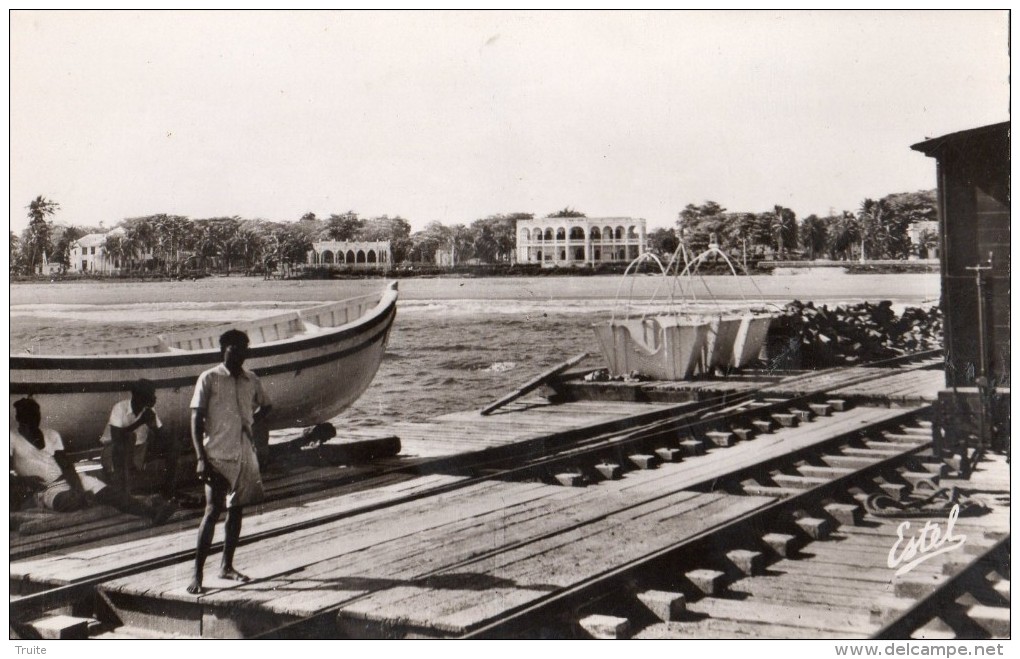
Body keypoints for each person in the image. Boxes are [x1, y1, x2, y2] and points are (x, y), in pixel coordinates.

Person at [187, 329, 272, 595]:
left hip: (244, 454)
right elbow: (195, 419)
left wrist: (252, 424)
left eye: (242, 349)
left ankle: (226, 566)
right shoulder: (209, 378)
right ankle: (197, 575)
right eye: (233, 349)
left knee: (236, 510)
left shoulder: (251, 380)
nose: (238, 354)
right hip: (216, 455)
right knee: (212, 511)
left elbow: (266, 405)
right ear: (223, 350)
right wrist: (200, 457)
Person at [10, 398, 175, 524]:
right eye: (30, 416)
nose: (35, 419)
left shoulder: (51, 434)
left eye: (36, 415)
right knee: (71, 501)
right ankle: (86, 499)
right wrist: (25, 480)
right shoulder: (11, 438)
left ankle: (154, 514)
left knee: (112, 494)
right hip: (45, 490)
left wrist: (78, 488)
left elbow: (66, 466)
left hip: (69, 480)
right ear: (20, 418)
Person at [100, 379, 181, 501]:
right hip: (113, 454)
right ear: (137, 396)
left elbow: (163, 436)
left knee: (172, 445)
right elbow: (117, 438)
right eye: (150, 395)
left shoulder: (148, 411)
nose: (154, 398)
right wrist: (140, 421)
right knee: (129, 437)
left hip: (139, 452)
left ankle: (169, 490)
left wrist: (153, 426)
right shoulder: (120, 408)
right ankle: (126, 495)